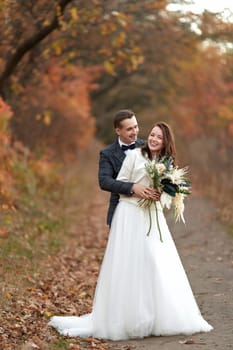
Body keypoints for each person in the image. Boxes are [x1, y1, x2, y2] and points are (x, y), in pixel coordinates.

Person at [49, 121, 213, 339]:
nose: (154, 139)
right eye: (152, 134)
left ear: (166, 142)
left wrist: (160, 194)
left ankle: (159, 315)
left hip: (151, 216)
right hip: (129, 215)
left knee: (155, 262)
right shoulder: (135, 155)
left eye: (159, 137)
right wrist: (137, 191)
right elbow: (120, 184)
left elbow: (168, 197)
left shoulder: (167, 163)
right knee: (130, 264)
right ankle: (128, 317)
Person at [98, 109, 159, 226]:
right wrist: (132, 187)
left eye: (136, 127)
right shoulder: (107, 153)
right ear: (118, 130)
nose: (135, 131)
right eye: (129, 129)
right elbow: (104, 181)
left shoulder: (147, 146)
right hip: (120, 210)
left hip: (146, 210)